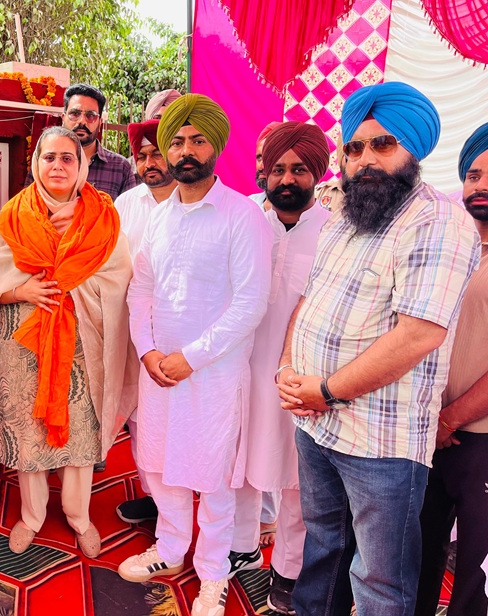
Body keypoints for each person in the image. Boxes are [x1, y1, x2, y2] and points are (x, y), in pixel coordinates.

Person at [276, 82, 480, 616]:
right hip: (315, 425)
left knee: (380, 580)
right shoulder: (346, 216)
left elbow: (419, 333)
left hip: (380, 441)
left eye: (383, 144)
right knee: (323, 546)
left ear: (414, 149)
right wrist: (287, 366)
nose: (366, 158)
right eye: (355, 147)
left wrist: (324, 391)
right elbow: (310, 299)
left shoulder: (438, 221)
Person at [119, 94, 273, 616]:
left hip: (213, 375)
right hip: (159, 370)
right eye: (178, 141)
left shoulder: (241, 216)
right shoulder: (160, 218)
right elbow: (141, 289)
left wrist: (191, 357)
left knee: (213, 475)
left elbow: (251, 302)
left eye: (197, 140)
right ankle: (169, 549)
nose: (186, 151)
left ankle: (212, 572)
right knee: (161, 465)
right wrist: (147, 351)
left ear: (215, 148)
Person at [0, 126, 137, 557]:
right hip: (24, 340)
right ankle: (31, 515)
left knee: (81, 429)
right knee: (28, 426)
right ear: (36, 163)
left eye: (68, 158)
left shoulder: (102, 218)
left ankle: (78, 515)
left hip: (83, 339)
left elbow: (119, 277)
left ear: (81, 165)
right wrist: (20, 290)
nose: (58, 166)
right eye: (49, 157)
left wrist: (70, 283)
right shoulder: (14, 215)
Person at [229, 122, 332, 615]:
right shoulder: (245, 219)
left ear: (317, 174)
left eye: (299, 169)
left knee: (297, 477)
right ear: (264, 172)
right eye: (278, 169)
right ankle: (241, 545)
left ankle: (289, 569)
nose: (287, 179)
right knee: (239, 462)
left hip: (301, 374)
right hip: (240, 366)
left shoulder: (337, 231)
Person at [415, 122, 488, 616]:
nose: (480, 185)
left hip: (478, 437)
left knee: (475, 574)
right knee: (416, 556)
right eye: (474, 175)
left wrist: (451, 418)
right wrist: (433, 420)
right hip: (428, 432)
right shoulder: (453, 247)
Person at [114, 118, 177, 525]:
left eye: (157, 153)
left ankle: (190, 501)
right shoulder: (125, 205)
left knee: (184, 419)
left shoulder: (192, 201)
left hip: (182, 335)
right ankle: (156, 499)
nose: (149, 163)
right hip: (134, 331)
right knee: (140, 419)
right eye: (142, 156)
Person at [28, 84, 137, 200]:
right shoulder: (45, 161)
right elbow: (28, 204)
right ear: (63, 118)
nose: (82, 121)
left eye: (90, 116)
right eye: (75, 114)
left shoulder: (120, 167)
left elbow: (130, 209)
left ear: (100, 122)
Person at [249, 121, 281, 211]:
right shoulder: (249, 204)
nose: (261, 167)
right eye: (259, 158)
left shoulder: (309, 207)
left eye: (268, 158)